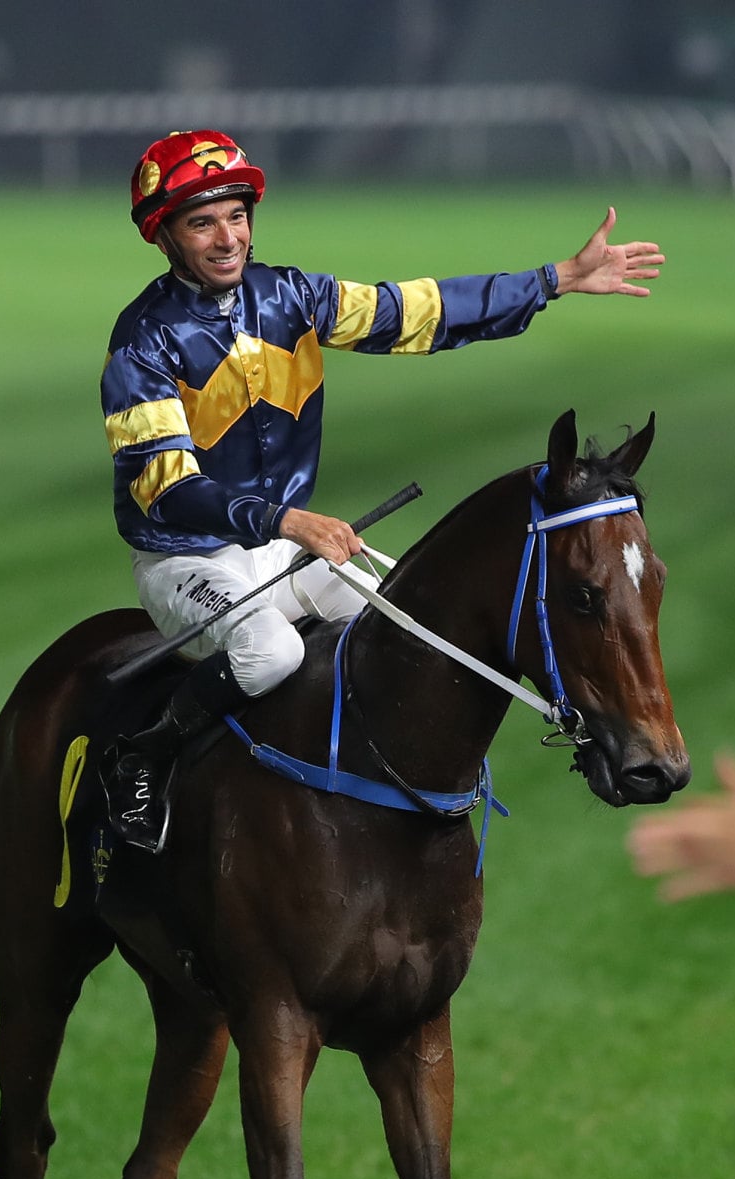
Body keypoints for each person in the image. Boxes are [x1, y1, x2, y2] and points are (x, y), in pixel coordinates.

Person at [99, 129, 666, 849]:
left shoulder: (291, 297)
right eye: (202, 222)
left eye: (236, 215)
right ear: (166, 236)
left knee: (417, 618)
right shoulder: (142, 342)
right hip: (189, 559)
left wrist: (553, 279)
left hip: (284, 548)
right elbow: (168, 491)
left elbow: (415, 311)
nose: (227, 237)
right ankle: (144, 753)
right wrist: (288, 521)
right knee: (270, 652)